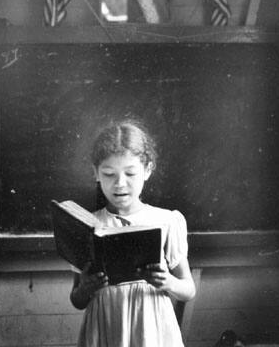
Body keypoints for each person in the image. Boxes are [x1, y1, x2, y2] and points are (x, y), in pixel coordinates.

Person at [70, 119, 196, 347]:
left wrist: (167, 282)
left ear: (147, 170)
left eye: (130, 173)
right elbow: (77, 300)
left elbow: (188, 289)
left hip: (151, 327)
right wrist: (85, 288)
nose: (120, 183)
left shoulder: (166, 221)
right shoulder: (88, 225)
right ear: (95, 173)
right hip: (106, 325)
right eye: (109, 174)